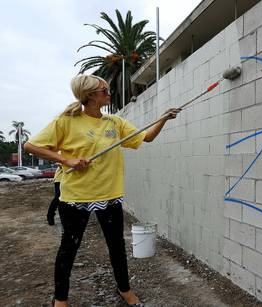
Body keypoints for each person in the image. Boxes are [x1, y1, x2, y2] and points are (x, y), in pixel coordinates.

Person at [24, 74, 180, 307]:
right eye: (104, 91)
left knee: (116, 245)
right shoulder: (67, 121)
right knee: (69, 248)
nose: (109, 94)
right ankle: (60, 299)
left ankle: (124, 289)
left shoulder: (114, 123)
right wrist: (67, 160)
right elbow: (31, 146)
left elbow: (145, 138)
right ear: (90, 95)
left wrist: (164, 118)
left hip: (109, 196)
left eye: (107, 90)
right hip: (76, 197)